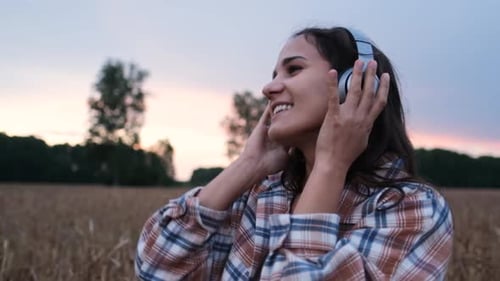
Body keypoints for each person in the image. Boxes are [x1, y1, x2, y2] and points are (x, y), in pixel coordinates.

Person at [135, 26, 454, 281]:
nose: (268, 88)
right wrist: (248, 165)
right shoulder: (262, 194)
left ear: (353, 85)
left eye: (293, 70)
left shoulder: (411, 210)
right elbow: (155, 269)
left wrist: (330, 164)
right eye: (275, 74)